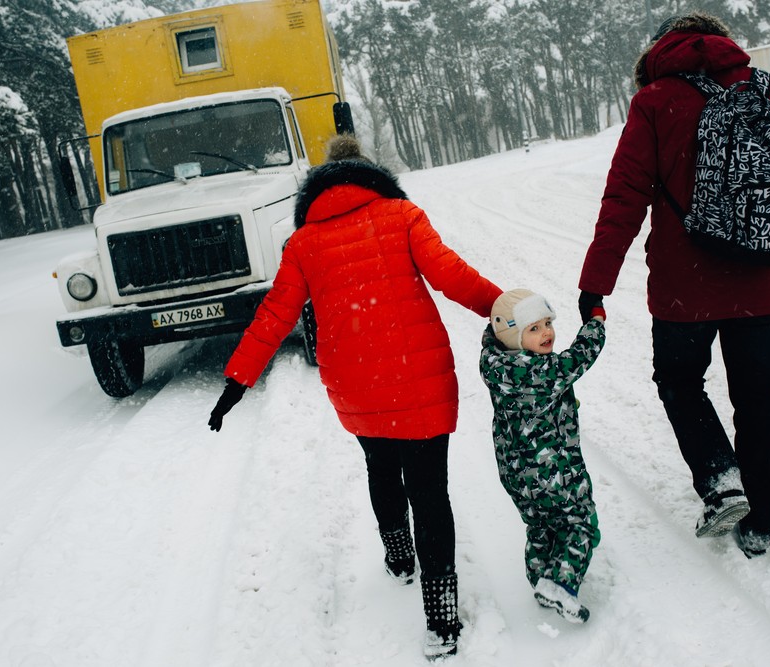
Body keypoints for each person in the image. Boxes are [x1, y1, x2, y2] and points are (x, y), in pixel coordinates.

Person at [208, 134, 502, 659]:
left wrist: (237, 381)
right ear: (369, 171)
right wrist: (506, 309)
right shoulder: (401, 215)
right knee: (431, 492)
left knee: (381, 466)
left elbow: (274, 315)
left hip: (356, 384)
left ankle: (398, 556)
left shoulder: (303, 243)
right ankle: (442, 618)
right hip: (421, 376)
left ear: (323, 181)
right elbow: (451, 276)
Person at [577, 13, 770, 558]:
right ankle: (763, 517)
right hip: (766, 282)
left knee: (680, 382)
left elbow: (624, 200)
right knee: (758, 399)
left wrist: (595, 284)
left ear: (660, 50)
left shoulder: (655, 102)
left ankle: (720, 478)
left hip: (683, 291)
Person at [479, 289, 606, 622]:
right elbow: (583, 353)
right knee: (580, 523)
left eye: (547, 322)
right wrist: (596, 319)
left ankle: (540, 581)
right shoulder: (546, 372)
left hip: (516, 475)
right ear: (512, 335)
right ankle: (562, 585)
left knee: (540, 526)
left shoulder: (494, 364)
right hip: (554, 471)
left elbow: (496, 337)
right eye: (533, 328)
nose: (547, 332)